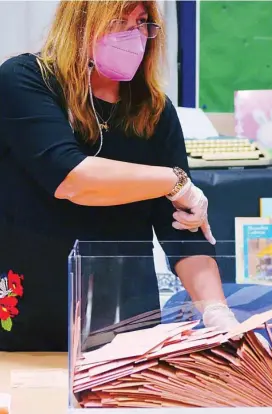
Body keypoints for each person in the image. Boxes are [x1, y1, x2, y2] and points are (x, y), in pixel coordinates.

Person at [0, 1, 239, 352]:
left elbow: (183, 232)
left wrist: (217, 310)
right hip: (32, 321)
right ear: (80, 23)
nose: (133, 35)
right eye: (117, 21)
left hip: (127, 326)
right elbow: (71, 178)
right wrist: (174, 182)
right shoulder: (24, 80)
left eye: (141, 22)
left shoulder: (153, 111)